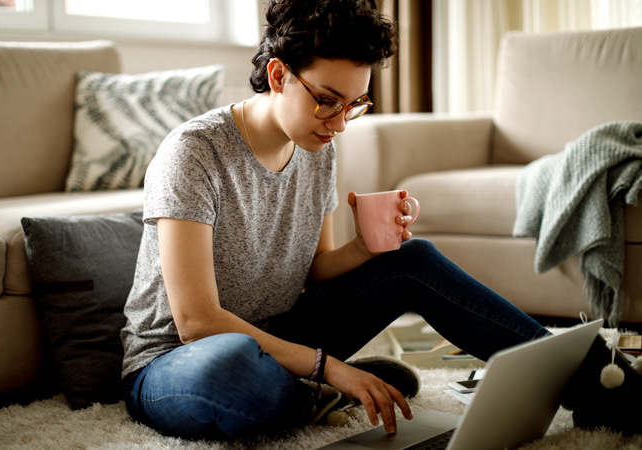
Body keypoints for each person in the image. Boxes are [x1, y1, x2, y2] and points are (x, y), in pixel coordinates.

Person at [121, 0, 639, 440]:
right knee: (234, 371)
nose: (340, 123)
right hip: (178, 362)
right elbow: (196, 323)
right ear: (278, 75)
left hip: (282, 334)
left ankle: (599, 384)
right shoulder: (193, 153)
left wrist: (369, 248)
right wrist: (331, 366)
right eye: (327, 102)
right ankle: (316, 392)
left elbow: (314, 270)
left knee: (411, 260)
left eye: (354, 105)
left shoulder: (316, 144)